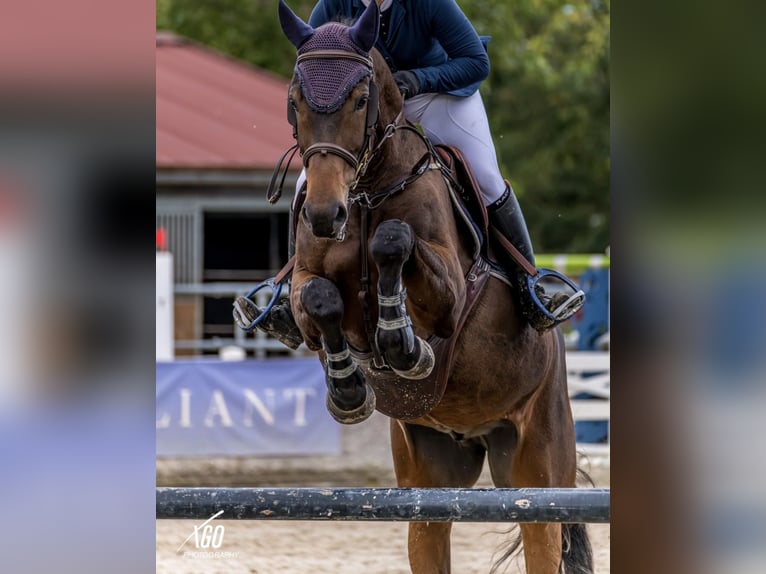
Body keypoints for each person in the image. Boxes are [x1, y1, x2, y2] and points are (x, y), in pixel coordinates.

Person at [246, 0, 584, 344]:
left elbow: (476, 62)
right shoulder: (331, 4)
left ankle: (530, 285)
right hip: (364, 106)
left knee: (486, 178)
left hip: (435, 96)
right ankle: (287, 297)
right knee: (307, 184)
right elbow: (315, 76)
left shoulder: (429, 3)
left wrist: (418, 78)